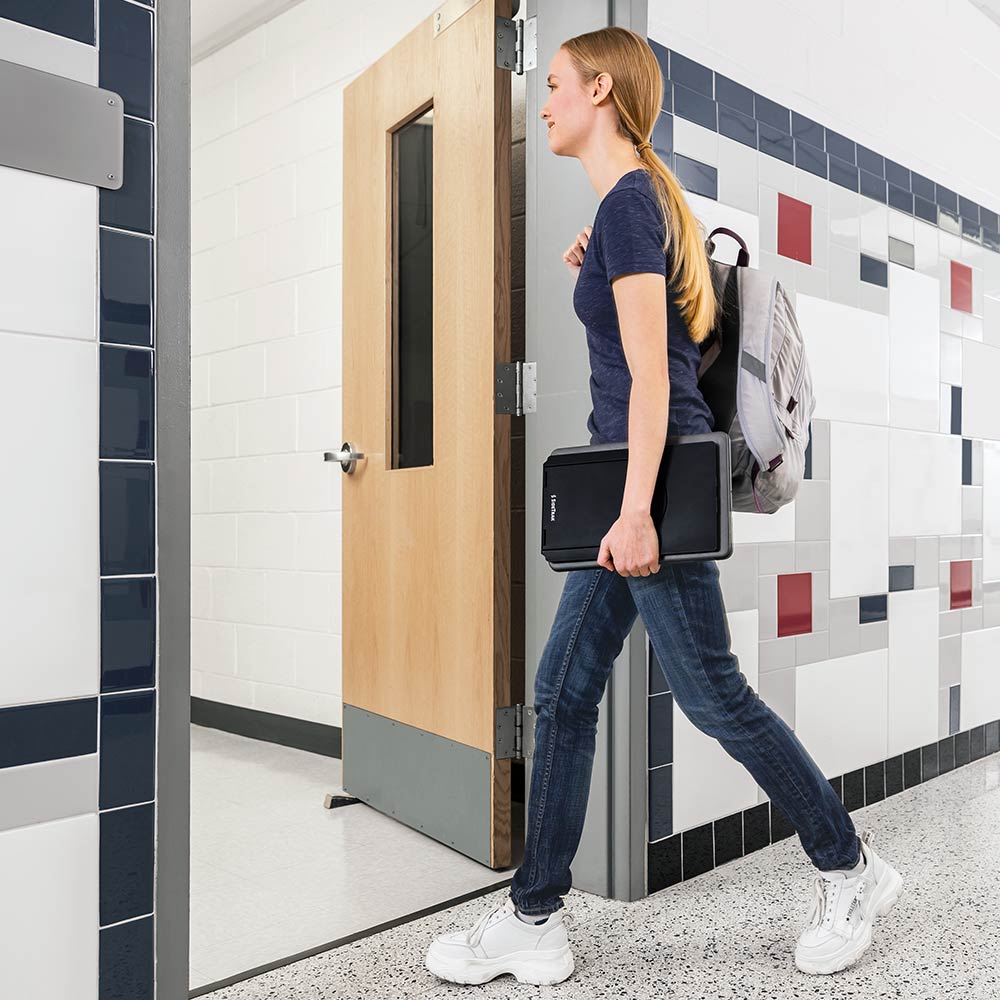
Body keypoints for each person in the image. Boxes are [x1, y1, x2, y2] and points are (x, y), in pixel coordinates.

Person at [425, 25, 903, 988]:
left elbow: (655, 382)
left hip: (650, 492)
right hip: (632, 491)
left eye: (553, 84)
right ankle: (535, 917)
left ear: (600, 88)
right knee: (562, 695)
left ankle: (851, 870)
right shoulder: (631, 208)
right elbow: (656, 340)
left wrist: (637, 510)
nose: (543, 100)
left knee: (712, 697)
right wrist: (594, 269)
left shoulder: (635, 205)